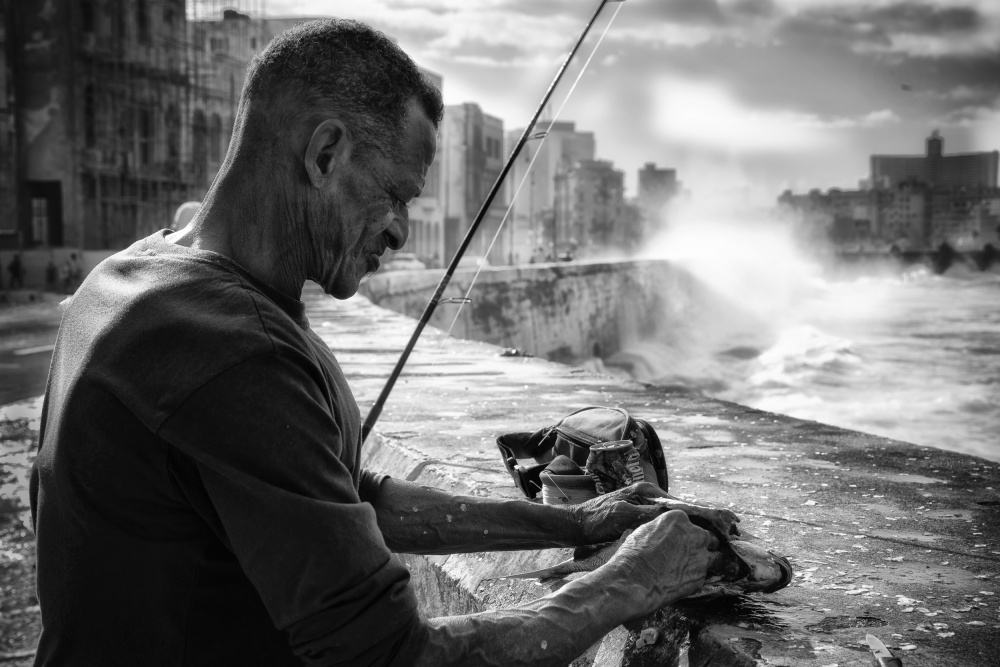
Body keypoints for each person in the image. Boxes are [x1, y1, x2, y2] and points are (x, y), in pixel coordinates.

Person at [30, 19, 735, 667]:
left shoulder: (124, 278)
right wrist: (631, 579)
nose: (400, 230)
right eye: (395, 194)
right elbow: (395, 658)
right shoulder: (234, 351)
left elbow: (344, 495)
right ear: (325, 152)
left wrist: (577, 517)